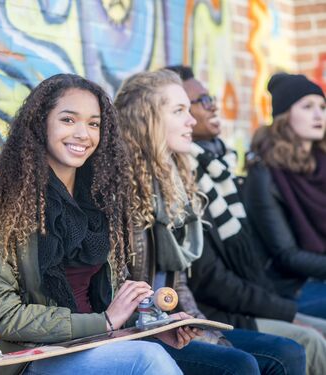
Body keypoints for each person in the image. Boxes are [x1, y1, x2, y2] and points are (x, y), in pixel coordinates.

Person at [0, 73, 199, 375]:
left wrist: (151, 324)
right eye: (68, 120)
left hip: (100, 342)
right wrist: (103, 322)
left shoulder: (100, 200)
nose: (83, 133)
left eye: (93, 124)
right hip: (37, 358)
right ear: (41, 124)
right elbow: (4, 315)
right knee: (147, 360)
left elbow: (107, 304)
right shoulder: (5, 204)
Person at [114, 69, 306, 375]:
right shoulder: (118, 187)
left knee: (287, 352)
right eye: (179, 111)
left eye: (189, 111)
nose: (191, 121)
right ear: (145, 118)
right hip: (138, 330)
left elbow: (179, 285)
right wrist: (198, 334)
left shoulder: (174, 181)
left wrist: (203, 329)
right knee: (241, 364)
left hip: (175, 320)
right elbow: (118, 287)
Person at [165, 64, 325, 375]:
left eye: (210, 99)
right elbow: (209, 278)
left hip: (257, 295)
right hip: (271, 293)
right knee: (301, 344)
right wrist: (286, 311)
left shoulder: (219, 171)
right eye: (196, 103)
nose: (212, 107)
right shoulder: (249, 175)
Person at [245, 72, 326, 320]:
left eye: (322, 107)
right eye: (307, 106)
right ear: (284, 114)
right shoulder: (264, 174)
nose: (318, 115)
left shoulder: (322, 164)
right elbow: (286, 255)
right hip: (292, 288)